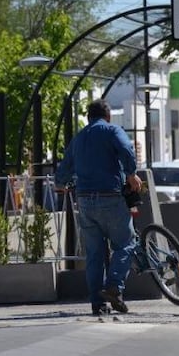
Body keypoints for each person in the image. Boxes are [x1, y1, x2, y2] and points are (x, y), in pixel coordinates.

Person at [55, 98, 142, 316]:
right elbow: (126, 149)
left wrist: (61, 183)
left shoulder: (79, 137)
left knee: (94, 253)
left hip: (84, 201)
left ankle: (97, 303)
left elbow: (65, 165)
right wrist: (131, 174)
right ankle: (113, 287)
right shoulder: (112, 130)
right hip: (110, 197)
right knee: (125, 243)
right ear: (108, 115)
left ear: (88, 117)